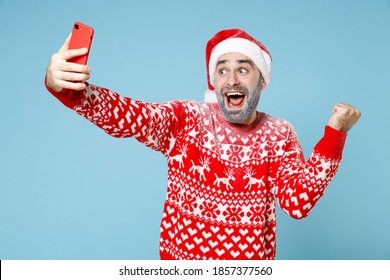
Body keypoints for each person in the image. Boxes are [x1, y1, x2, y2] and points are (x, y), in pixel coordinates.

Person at [45, 28, 361, 260]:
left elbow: (297, 202)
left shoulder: (279, 134)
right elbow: (127, 116)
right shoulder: (188, 121)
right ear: (214, 81)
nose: (232, 79)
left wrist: (335, 134)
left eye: (243, 68)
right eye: (222, 69)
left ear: (262, 80)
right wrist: (66, 88)